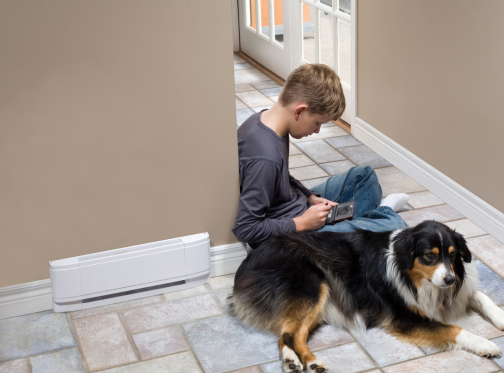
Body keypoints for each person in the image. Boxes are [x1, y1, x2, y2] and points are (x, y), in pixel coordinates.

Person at [232, 64, 409, 249]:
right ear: (299, 111)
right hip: (295, 236)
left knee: (364, 176)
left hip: (299, 209)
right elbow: (246, 229)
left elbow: (280, 177)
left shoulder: (265, 121)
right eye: (317, 123)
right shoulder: (265, 158)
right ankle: (383, 212)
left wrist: (310, 197)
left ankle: (365, 220)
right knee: (396, 229)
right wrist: (302, 223)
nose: (317, 131)